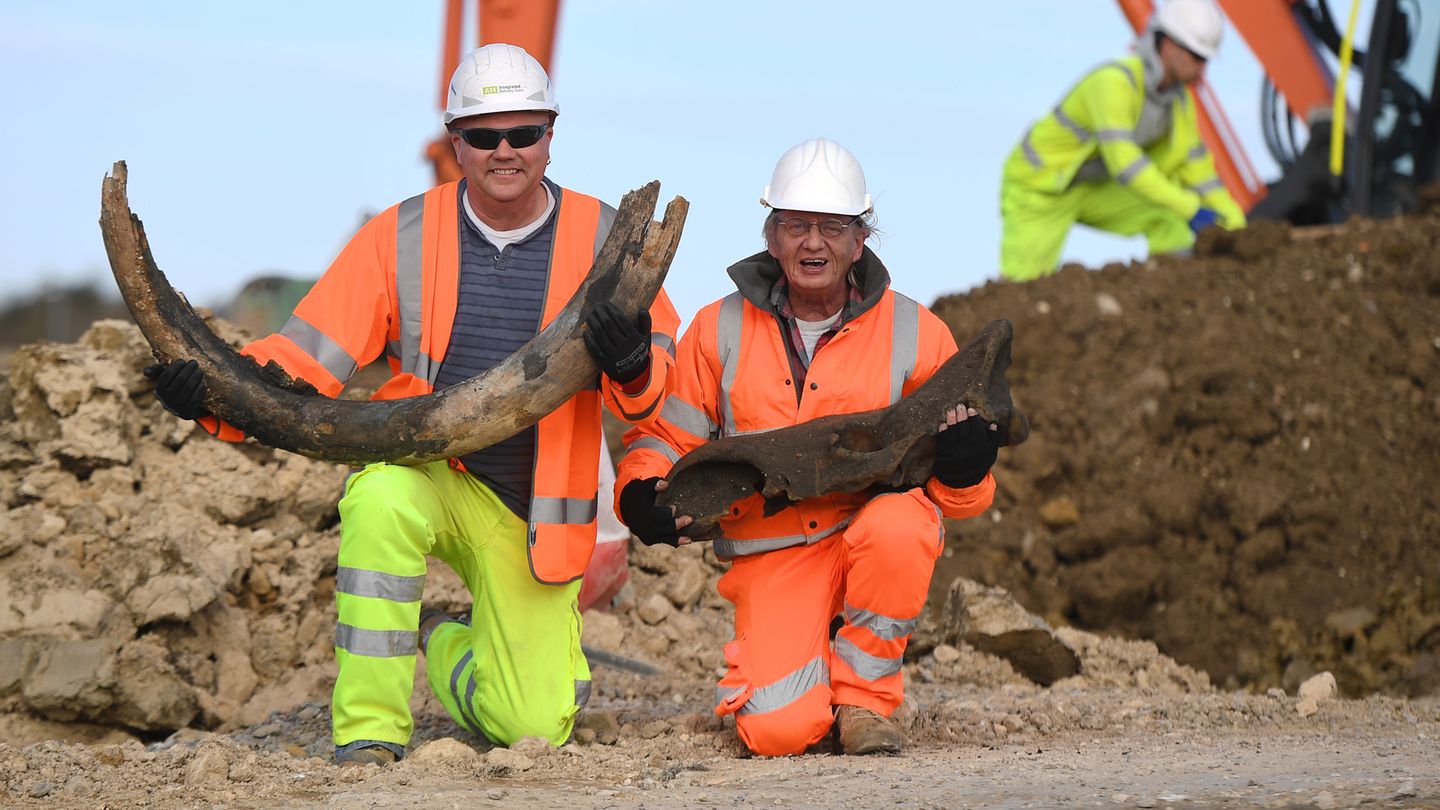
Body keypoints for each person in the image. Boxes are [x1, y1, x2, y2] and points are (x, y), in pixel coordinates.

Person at [143, 43, 681, 765]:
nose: (505, 151)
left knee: (531, 724)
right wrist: (210, 393)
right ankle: (369, 730)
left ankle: (445, 645)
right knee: (379, 501)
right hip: (429, 474)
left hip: (531, 514)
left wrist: (635, 362)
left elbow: (658, 389)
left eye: (523, 133)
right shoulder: (399, 236)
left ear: (551, 135)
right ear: (455, 142)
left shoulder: (608, 239)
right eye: (484, 136)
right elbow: (306, 357)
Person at [614, 138, 1001, 757]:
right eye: (796, 226)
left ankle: (864, 703)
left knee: (902, 526)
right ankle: (813, 662)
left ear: (860, 240)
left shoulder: (916, 332)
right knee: (778, 733)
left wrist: (967, 465)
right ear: (772, 237)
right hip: (776, 555)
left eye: (831, 227)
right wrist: (639, 492)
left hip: (868, 534)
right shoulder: (720, 327)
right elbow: (667, 434)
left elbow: (959, 495)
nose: (812, 243)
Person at [999, 0, 1247, 282]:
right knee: (1023, 288)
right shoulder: (1113, 83)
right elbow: (1125, 164)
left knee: (1167, 216)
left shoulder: (1179, 103)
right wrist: (1191, 209)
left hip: (1092, 188)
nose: (1203, 68)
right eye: (1197, 56)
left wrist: (1236, 223)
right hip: (1039, 189)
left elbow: (1199, 171)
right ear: (1168, 45)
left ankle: (1175, 296)